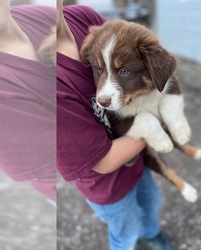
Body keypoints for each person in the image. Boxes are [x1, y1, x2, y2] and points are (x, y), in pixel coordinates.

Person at [56, 1, 171, 250]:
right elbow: (103, 162)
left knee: (152, 199)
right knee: (125, 232)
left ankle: (150, 233)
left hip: (136, 165)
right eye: (98, 69)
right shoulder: (42, 80)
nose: (103, 94)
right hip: (108, 190)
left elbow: (131, 43)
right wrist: (154, 123)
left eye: (123, 72)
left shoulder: (82, 18)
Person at [0, 1, 56, 204]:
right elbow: (75, 156)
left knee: (149, 198)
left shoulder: (41, 14)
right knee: (123, 222)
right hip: (81, 182)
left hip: (123, 139)